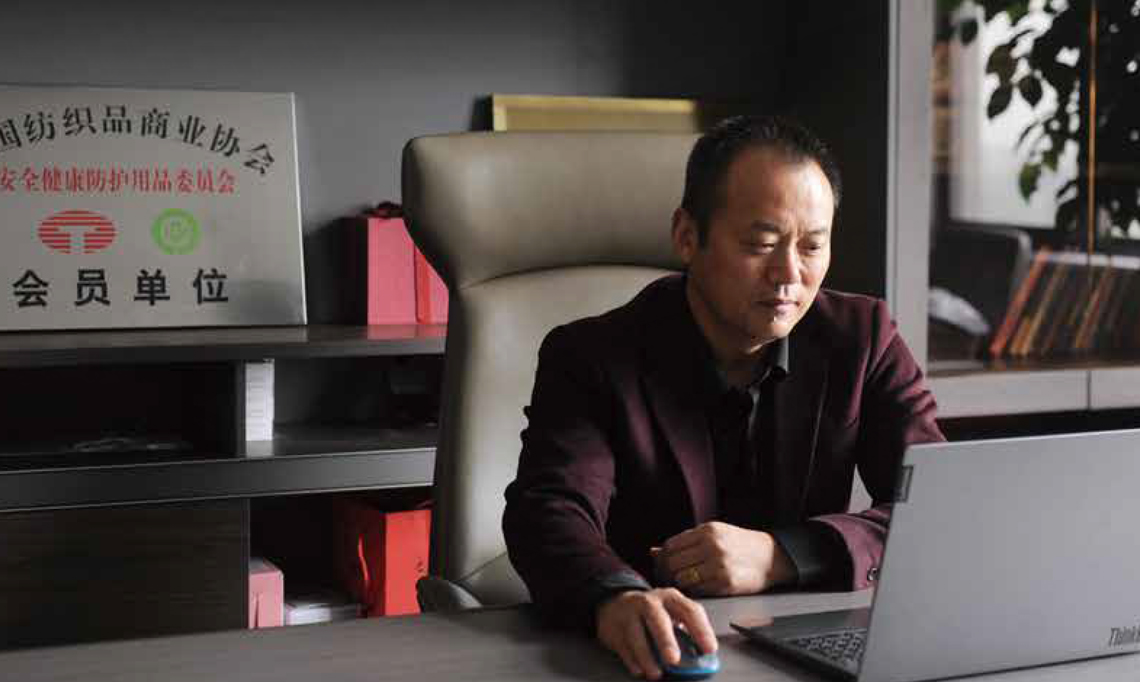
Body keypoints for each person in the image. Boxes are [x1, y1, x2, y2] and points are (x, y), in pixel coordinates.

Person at [502, 115, 944, 680]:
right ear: (687, 236)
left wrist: (782, 556)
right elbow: (549, 512)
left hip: (799, 650)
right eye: (761, 245)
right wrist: (615, 598)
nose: (788, 275)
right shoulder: (591, 356)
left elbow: (935, 512)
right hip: (659, 655)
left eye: (812, 246)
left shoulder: (862, 338)